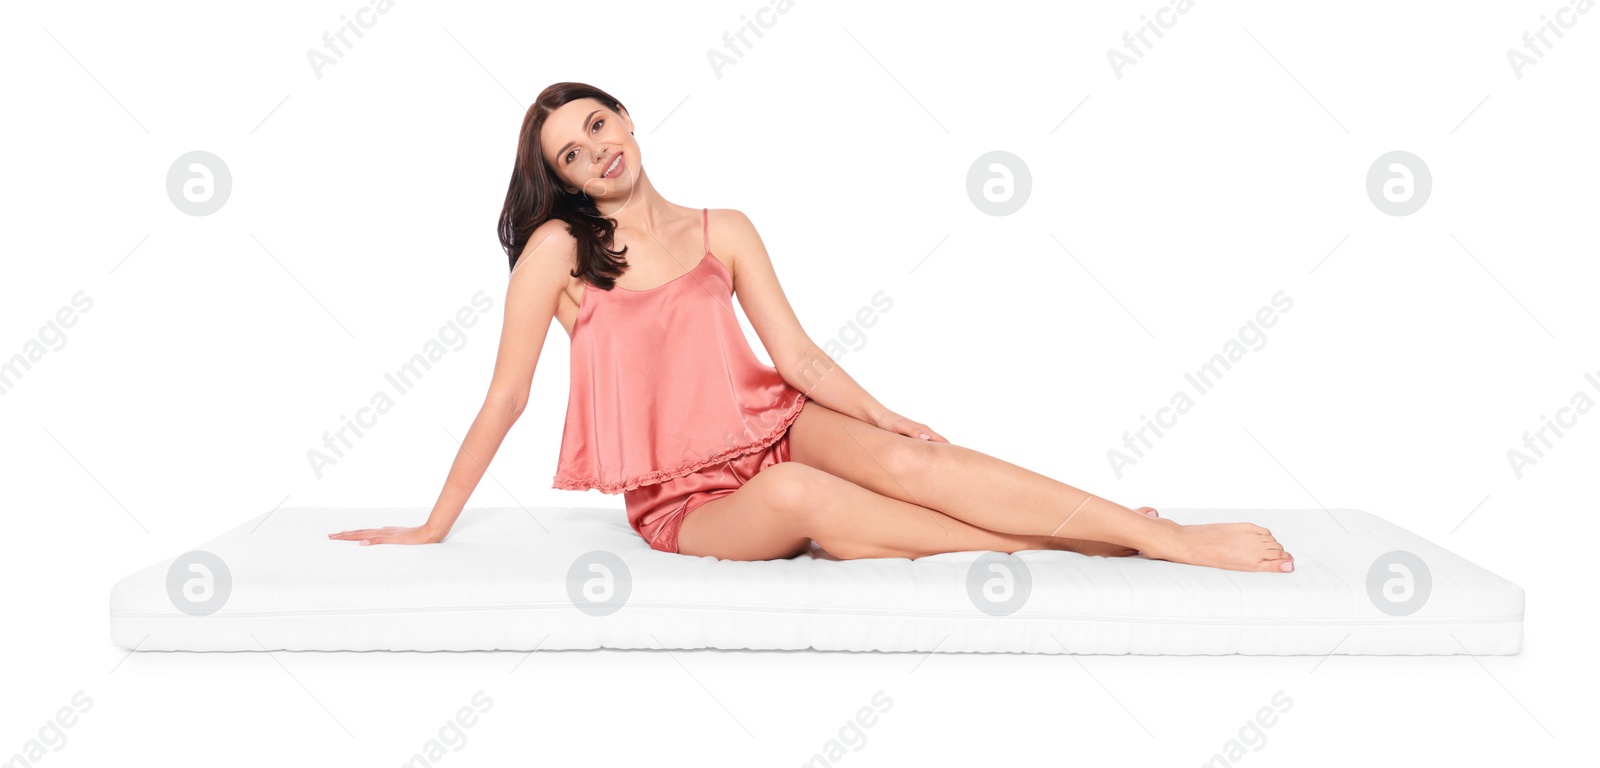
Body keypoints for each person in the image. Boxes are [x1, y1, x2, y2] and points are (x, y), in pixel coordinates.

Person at [329, 82, 1295, 573]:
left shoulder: (725, 227)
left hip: (773, 420)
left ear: (626, 115)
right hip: (682, 496)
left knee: (911, 460)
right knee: (795, 494)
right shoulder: (558, 254)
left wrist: (885, 417)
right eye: (572, 153)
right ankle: (1073, 550)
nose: (596, 149)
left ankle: (1157, 537)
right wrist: (432, 524)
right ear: (565, 179)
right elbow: (506, 396)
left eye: (596, 124)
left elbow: (795, 358)